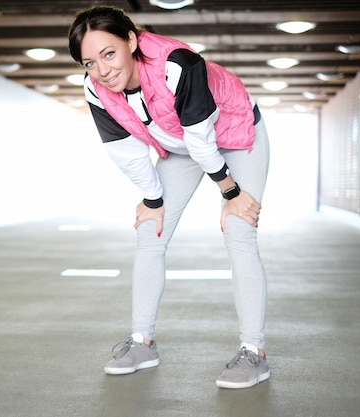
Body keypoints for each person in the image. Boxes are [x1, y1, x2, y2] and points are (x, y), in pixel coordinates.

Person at [68, 5, 270, 389]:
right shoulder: (95, 88)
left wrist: (230, 191)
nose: (103, 70)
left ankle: (254, 352)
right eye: (90, 62)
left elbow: (200, 136)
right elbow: (124, 149)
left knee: (239, 231)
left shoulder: (177, 63)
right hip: (180, 149)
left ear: (131, 40)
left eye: (109, 54)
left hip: (236, 136)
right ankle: (143, 342)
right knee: (150, 231)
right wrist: (153, 200)